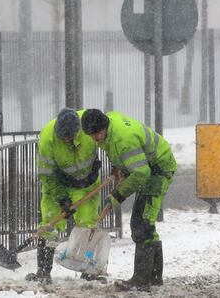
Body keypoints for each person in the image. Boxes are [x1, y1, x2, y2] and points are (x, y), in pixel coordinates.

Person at [81, 109, 178, 291]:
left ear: (104, 127)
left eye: (96, 134)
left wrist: (118, 194)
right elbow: (125, 157)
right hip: (148, 167)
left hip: (158, 170)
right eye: (91, 135)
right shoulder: (109, 127)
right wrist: (119, 167)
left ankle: (141, 280)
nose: (94, 139)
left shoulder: (123, 139)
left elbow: (141, 172)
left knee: (141, 224)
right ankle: (154, 277)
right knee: (145, 223)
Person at [26, 108, 103, 284]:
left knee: (87, 225)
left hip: (86, 185)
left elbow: (106, 141)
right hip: (57, 183)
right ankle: (43, 271)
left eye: (70, 136)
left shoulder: (90, 127)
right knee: (49, 224)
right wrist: (62, 198)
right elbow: (46, 175)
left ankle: (88, 268)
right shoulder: (47, 139)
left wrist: (95, 171)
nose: (67, 140)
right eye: (63, 137)